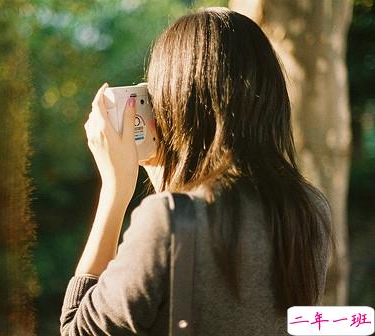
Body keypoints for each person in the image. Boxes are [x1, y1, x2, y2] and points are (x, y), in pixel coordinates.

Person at [59, 7, 334, 335]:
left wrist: (114, 191)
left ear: (175, 103)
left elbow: (76, 329)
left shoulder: (167, 221)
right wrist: (166, 168)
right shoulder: (310, 209)